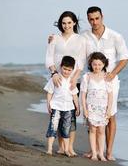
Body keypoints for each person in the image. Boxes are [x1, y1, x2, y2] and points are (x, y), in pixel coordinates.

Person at [82, 6, 128, 160]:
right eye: (91, 19)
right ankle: (95, 151)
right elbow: (69, 42)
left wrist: (113, 73)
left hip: (110, 83)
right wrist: (53, 39)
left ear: (102, 17)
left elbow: (125, 58)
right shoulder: (84, 37)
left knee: (110, 115)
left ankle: (108, 152)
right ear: (88, 19)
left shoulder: (115, 36)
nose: (94, 22)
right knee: (92, 116)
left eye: (97, 18)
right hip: (91, 82)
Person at [45, 11, 86, 156]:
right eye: (63, 23)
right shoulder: (54, 38)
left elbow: (81, 61)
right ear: (60, 24)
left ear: (74, 22)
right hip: (57, 79)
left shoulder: (80, 39)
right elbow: (49, 58)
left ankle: (70, 148)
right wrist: (54, 73)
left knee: (71, 114)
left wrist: (75, 77)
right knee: (57, 114)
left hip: (73, 80)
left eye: (69, 22)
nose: (66, 25)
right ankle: (61, 147)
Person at [44, 56, 80, 156]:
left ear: (72, 70)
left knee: (66, 128)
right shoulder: (55, 79)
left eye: (69, 70)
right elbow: (49, 93)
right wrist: (48, 104)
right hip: (56, 106)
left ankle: (67, 149)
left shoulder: (72, 81)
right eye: (65, 69)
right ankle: (50, 149)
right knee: (53, 127)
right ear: (60, 67)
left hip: (69, 108)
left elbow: (75, 95)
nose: (66, 72)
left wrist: (77, 107)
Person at [81, 52, 113, 161]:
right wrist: (84, 109)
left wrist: (109, 110)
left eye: (99, 64)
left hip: (103, 109)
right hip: (91, 108)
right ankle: (94, 153)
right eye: (95, 64)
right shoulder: (87, 77)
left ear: (103, 64)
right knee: (93, 130)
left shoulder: (106, 77)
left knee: (101, 131)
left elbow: (110, 95)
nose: (97, 67)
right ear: (91, 64)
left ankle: (101, 154)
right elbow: (83, 94)